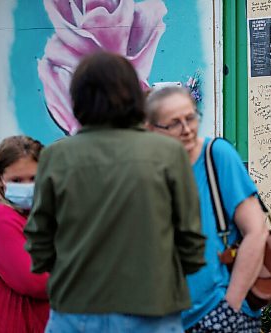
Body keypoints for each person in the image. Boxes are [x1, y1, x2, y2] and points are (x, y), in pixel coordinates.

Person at [24, 51, 205, 333]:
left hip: (75, 307)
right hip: (153, 307)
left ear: (78, 98)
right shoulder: (168, 153)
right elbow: (191, 236)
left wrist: (61, 271)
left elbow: (38, 237)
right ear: (134, 95)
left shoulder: (56, 157)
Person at [146, 86, 269, 333]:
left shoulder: (216, 156)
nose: (187, 129)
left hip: (218, 310)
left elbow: (257, 231)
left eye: (190, 117)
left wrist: (230, 305)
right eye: (174, 123)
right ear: (151, 129)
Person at [0, 135, 49, 333]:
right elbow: (36, 281)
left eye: (33, 178)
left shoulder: (39, 215)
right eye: (16, 180)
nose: (26, 186)